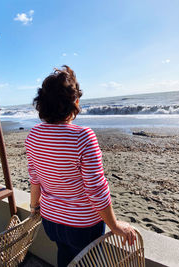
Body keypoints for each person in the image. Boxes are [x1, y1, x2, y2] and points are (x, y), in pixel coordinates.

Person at [25, 65, 136, 267]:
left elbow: (35, 179)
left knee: (65, 257)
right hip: (82, 225)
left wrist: (34, 207)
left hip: (51, 220)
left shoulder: (33, 136)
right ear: (75, 102)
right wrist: (115, 225)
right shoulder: (83, 136)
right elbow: (96, 189)